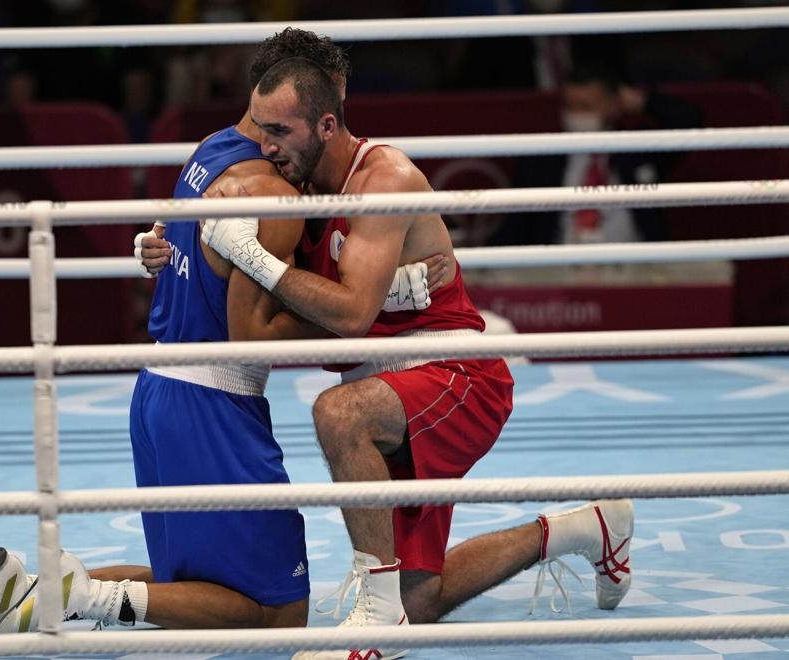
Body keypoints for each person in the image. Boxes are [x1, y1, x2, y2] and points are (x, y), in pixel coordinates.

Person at [0, 28, 436, 640]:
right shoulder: (270, 188)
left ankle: (26, 590)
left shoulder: (211, 149)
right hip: (213, 405)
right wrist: (365, 303)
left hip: (160, 389)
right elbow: (250, 334)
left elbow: (183, 241)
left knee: (190, 579)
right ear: (321, 96)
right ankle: (72, 594)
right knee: (277, 612)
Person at [201, 56, 634, 660]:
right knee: (423, 599)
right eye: (261, 129)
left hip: (456, 378)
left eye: (279, 132)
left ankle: (377, 623)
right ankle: (590, 527)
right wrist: (162, 245)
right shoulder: (294, 186)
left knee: (339, 413)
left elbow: (347, 316)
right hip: (390, 391)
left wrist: (259, 260)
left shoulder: (386, 180)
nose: (264, 147)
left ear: (326, 125)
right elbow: (289, 327)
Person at [489, 59, 703, 246]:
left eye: (586, 106)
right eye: (571, 106)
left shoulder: (638, 148)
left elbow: (689, 121)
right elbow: (514, 226)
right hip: (559, 272)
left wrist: (641, 101)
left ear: (614, 104)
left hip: (637, 272)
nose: (576, 115)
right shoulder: (542, 159)